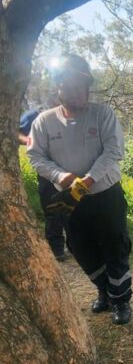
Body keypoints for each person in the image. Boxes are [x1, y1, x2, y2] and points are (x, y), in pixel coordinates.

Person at [27, 54, 133, 325]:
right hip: (71, 201)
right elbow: (35, 157)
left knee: (115, 246)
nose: (79, 92)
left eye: (83, 85)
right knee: (79, 247)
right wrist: (61, 176)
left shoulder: (102, 114)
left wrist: (88, 179)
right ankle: (104, 291)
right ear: (59, 87)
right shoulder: (44, 122)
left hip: (106, 195)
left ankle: (121, 300)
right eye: (72, 86)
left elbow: (113, 151)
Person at [19, 103, 70, 261]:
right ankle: (56, 250)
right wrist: (30, 141)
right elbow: (16, 132)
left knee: (75, 209)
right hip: (47, 172)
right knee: (53, 209)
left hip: (73, 171)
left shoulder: (75, 113)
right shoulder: (35, 115)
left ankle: (77, 246)